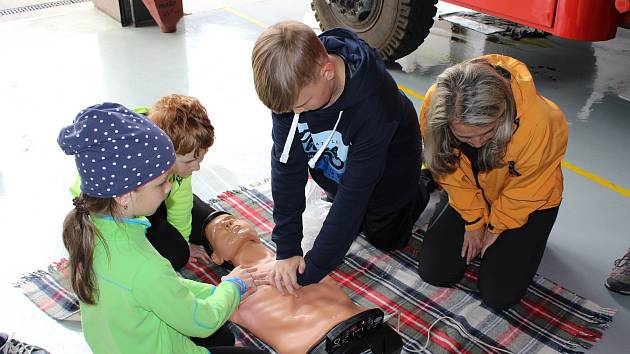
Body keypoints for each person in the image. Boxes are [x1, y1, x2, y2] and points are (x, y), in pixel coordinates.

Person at [57, 103, 266, 354]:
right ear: (124, 196)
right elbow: (201, 321)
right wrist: (233, 288)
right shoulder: (145, 266)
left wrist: (217, 289)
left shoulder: (91, 228)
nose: (168, 188)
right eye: (160, 183)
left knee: (222, 337)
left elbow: (165, 289)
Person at [251, 21, 429, 294]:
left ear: (327, 71)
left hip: (391, 166)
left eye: (301, 104)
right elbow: (286, 167)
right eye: (288, 109)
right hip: (343, 163)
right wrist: (287, 249)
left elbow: (354, 196)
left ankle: (423, 185)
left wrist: (308, 271)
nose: (295, 113)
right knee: (343, 209)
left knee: (384, 236)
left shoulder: (375, 104)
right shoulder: (294, 88)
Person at [417, 54, 569, 310]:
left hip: (527, 202)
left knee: (498, 295)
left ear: (505, 112)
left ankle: (531, 235)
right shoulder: (437, 102)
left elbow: (527, 189)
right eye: (465, 136)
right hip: (470, 192)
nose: (477, 144)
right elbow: (446, 168)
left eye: (488, 132)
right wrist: (474, 220)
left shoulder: (543, 121)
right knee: (435, 272)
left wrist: (497, 227)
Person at [204, 212, 402, 354]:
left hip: (369, 328)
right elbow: (191, 309)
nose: (229, 225)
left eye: (231, 219)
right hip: (314, 348)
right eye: (219, 230)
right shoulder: (228, 291)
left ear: (253, 230)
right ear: (216, 257)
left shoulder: (301, 254)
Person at [143, 94, 222, 270]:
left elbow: (181, 204)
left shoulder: (181, 163)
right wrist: (181, 247)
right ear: (163, 151)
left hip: (162, 197)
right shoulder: (141, 167)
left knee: (208, 230)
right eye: (188, 162)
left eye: (200, 159)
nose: (196, 168)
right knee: (177, 256)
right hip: (130, 212)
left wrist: (184, 240)